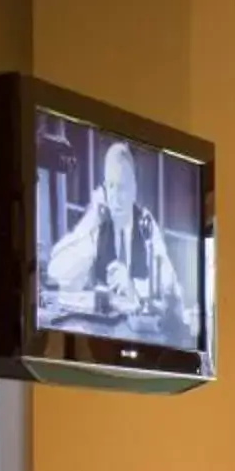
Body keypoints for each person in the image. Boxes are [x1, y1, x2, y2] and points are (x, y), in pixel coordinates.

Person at [45, 140, 193, 339]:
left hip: (143, 341)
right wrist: (90, 220)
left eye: (122, 187)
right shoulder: (98, 224)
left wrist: (131, 284)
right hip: (102, 341)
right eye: (111, 186)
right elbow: (56, 273)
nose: (117, 197)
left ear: (134, 189)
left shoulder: (145, 223)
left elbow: (170, 288)